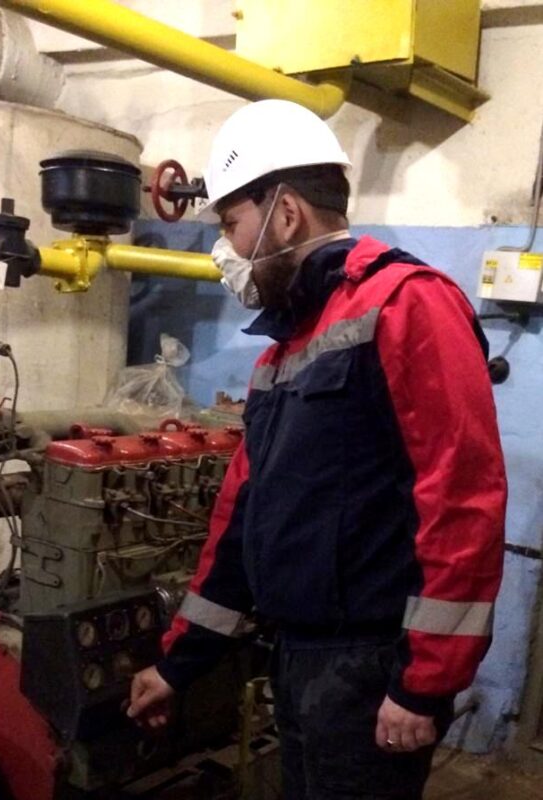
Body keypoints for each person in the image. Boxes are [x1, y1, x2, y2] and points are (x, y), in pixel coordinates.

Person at [127, 99, 507, 799]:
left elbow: (463, 497)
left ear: (285, 213)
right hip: (299, 659)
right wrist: (179, 664)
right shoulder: (283, 350)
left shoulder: (407, 304)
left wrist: (422, 686)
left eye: (231, 224)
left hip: (369, 670)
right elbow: (242, 518)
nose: (227, 249)